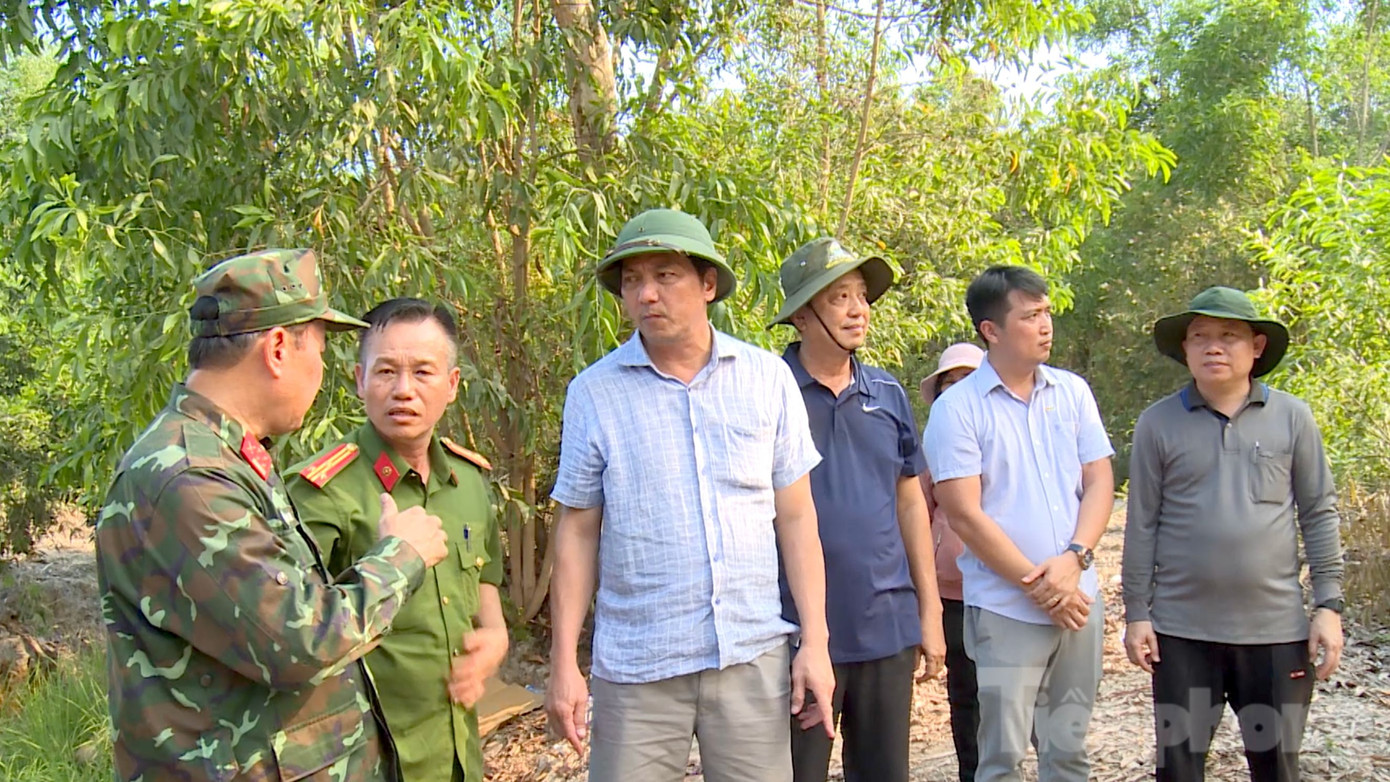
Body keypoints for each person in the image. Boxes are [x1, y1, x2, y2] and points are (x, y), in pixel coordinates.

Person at [95, 249, 449, 782]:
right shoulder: (189, 477)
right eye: (321, 351)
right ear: (279, 349)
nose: (322, 372)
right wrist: (403, 555)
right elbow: (300, 641)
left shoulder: (226, 456)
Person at [544, 208, 835, 782]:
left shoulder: (766, 379)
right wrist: (563, 664)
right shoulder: (594, 394)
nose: (646, 294)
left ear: (708, 284)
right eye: (632, 281)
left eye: (665, 276)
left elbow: (797, 518)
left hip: (750, 655)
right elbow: (577, 531)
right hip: (638, 670)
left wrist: (817, 644)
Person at [1121, 286, 1345, 782]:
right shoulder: (1158, 423)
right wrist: (1137, 612)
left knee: (1276, 766)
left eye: (1229, 336)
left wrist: (1328, 606)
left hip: (1276, 632)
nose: (1213, 348)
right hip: (1182, 633)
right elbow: (1142, 522)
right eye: (1200, 337)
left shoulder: (1293, 417)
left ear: (1257, 347)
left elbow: (1318, 512)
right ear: (1185, 348)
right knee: (1178, 766)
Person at [287, 298, 508, 782]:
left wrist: (495, 635)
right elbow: (290, 629)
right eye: (386, 371)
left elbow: (484, 577)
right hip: (366, 760)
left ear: (452, 385)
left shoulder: (468, 481)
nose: (403, 390)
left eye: (423, 372)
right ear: (359, 380)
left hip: (457, 752)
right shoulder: (322, 491)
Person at [923, 265, 1115, 782]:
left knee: (1068, 748)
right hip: (1006, 608)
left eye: (1046, 312)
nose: (1045, 325)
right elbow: (964, 513)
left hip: (1079, 600)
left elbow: (1099, 480)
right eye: (1030, 316)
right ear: (991, 330)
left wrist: (1076, 558)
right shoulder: (957, 409)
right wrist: (1041, 585)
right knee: (1002, 756)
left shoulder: (1072, 392)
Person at [767, 237, 946, 782]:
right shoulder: (768, 394)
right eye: (839, 296)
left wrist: (930, 612)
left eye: (862, 296)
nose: (857, 309)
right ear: (802, 314)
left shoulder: (887, 393)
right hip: (794, 632)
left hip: (885, 625)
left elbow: (911, 503)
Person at [919, 341, 987, 782]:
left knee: (1015, 690)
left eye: (969, 379)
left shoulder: (1007, 434)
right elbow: (919, 513)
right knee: (965, 692)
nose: (959, 388)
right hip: (952, 592)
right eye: (951, 381)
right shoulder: (932, 445)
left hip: (1006, 586)